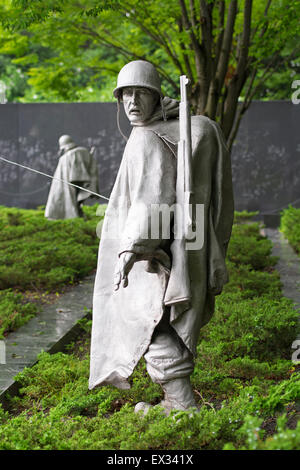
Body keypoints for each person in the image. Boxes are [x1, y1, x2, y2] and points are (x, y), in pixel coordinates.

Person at [89, 60, 234, 414]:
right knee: (162, 321)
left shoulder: (146, 137)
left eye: (142, 93)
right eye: (125, 94)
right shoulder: (173, 130)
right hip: (181, 249)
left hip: (154, 258)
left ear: (156, 97)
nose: (132, 101)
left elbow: (152, 199)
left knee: (150, 322)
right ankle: (176, 400)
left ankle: (181, 404)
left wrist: (131, 250)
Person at [44, 135, 99, 220]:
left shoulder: (68, 156)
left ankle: (72, 215)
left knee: (69, 199)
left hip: (69, 183)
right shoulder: (81, 152)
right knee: (69, 199)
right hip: (68, 183)